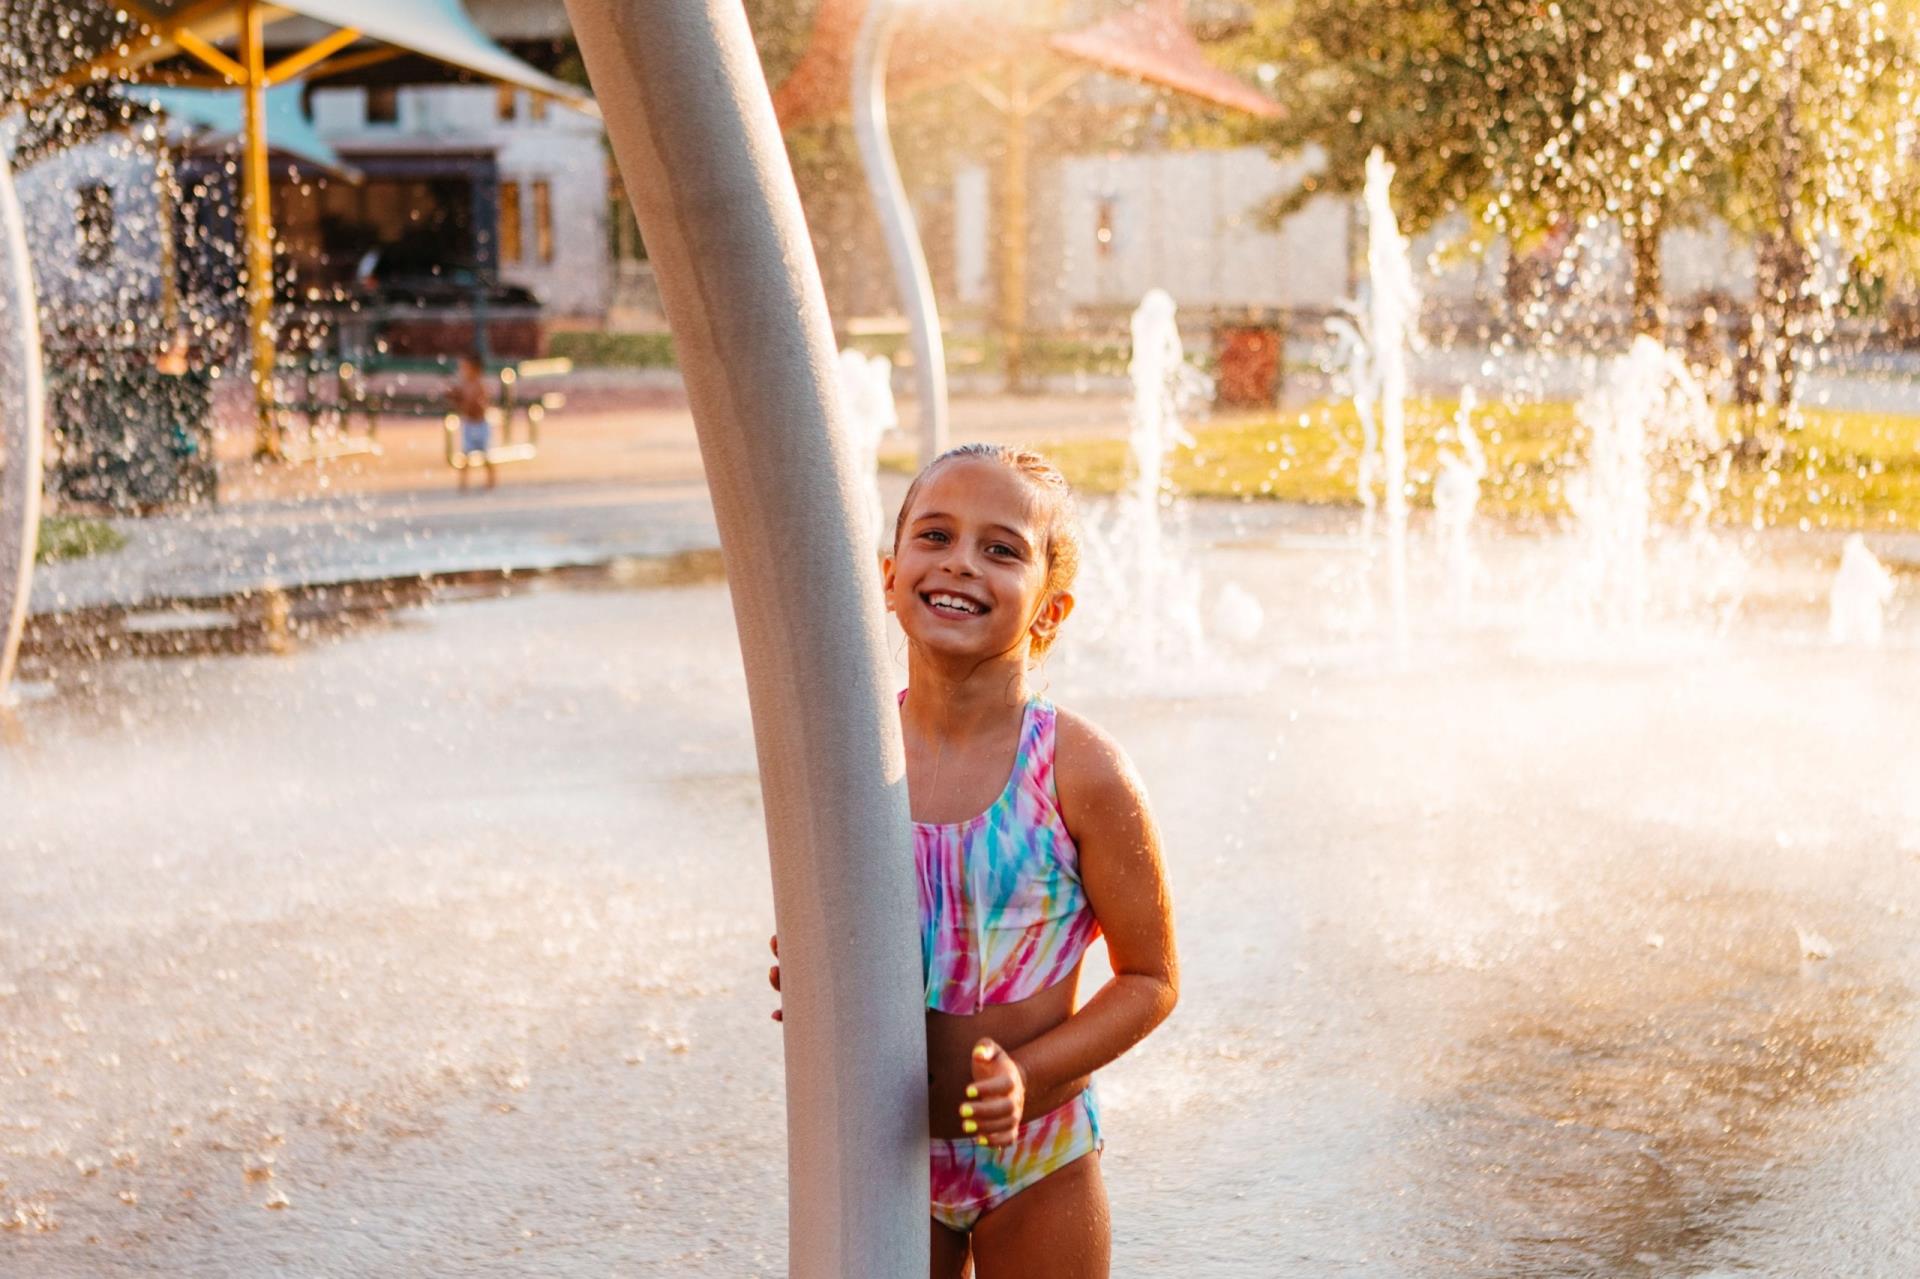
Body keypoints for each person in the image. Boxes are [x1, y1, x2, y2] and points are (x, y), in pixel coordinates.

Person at [768, 443, 1180, 1277]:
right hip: (884, 1150)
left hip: (1037, 1156)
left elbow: (1151, 979)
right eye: (935, 535)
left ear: (1050, 611)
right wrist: (810, 973)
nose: (961, 563)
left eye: (1001, 549)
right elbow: (839, 934)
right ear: (888, 577)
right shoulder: (852, 761)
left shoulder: (1080, 771)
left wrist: (1028, 1075)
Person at [448, 352, 495, 490]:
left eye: (465, 368)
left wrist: (477, 404)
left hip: (480, 424)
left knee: (485, 454)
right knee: (465, 455)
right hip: (469, 424)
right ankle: (463, 482)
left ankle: (491, 480)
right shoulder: (464, 385)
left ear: (475, 369)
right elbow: (459, 400)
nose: (463, 371)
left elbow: (483, 402)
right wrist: (454, 396)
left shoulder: (480, 384)